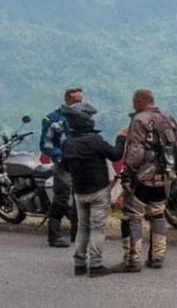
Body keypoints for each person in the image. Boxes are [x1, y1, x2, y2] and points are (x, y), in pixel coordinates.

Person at [59, 102, 125, 278]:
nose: (92, 118)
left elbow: (65, 167)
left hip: (79, 191)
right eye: (90, 116)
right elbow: (115, 154)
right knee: (97, 229)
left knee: (82, 227)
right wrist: (121, 138)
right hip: (98, 191)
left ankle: (79, 264)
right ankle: (95, 265)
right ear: (84, 120)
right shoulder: (95, 141)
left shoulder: (67, 143)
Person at [119, 88, 177, 271]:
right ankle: (157, 258)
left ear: (139, 101)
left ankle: (132, 261)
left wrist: (127, 174)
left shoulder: (139, 120)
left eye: (134, 102)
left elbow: (135, 150)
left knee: (132, 217)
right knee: (158, 215)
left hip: (142, 177)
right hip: (162, 177)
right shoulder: (168, 119)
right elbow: (175, 146)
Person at [41, 86, 82, 248]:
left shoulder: (82, 117)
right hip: (63, 163)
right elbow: (45, 143)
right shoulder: (53, 118)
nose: (79, 104)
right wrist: (61, 155)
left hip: (79, 162)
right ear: (67, 100)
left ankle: (77, 233)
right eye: (76, 101)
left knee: (79, 198)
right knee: (62, 197)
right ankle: (54, 235)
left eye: (81, 101)